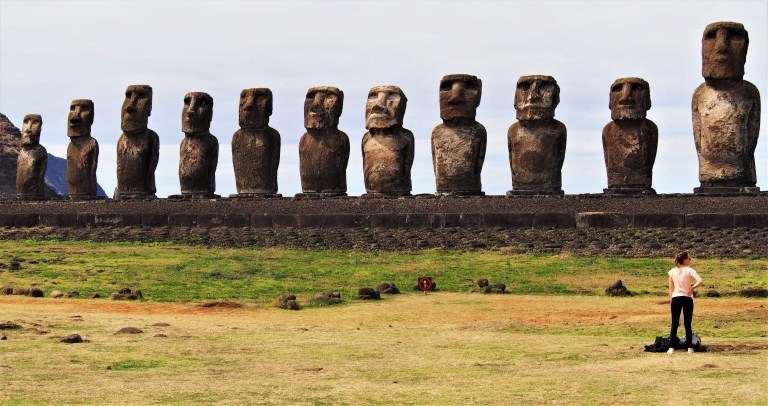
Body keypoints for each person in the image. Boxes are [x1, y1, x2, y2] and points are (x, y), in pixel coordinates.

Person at [667, 251, 703, 354]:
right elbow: (700, 280)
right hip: (687, 298)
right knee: (687, 323)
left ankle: (671, 347)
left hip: (676, 297)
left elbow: (671, 287)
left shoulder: (672, 271)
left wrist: (671, 298)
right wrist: (692, 288)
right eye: (689, 258)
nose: (690, 259)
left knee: (674, 323)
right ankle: (689, 348)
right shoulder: (689, 270)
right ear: (685, 260)